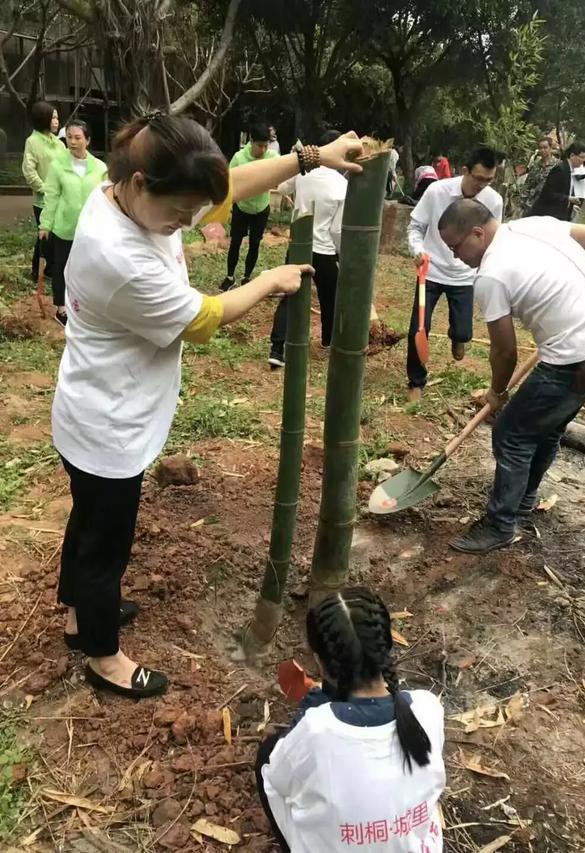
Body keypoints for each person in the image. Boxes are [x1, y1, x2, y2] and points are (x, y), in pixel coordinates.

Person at [52, 112, 362, 699]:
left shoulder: (118, 192)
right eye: (178, 213)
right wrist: (269, 281)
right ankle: (102, 656)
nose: (186, 223)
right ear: (142, 184)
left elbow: (226, 193)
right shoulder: (118, 256)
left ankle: (79, 614)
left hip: (96, 407)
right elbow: (201, 320)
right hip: (107, 427)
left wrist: (311, 157)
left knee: (90, 524)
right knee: (105, 542)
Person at [438, 200, 585, 555]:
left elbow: (504, 351)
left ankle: (499, 524)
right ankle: (523, 501)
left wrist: (496, 394)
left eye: (456, 247)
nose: (456, 257)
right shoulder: (531, 225)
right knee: (547, 427)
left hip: (576, 359)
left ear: (477, 233)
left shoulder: (491, 274)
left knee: (511, 434)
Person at [256, 587, 446, 853]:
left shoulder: (316, 730)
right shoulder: (427, 707)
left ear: (320, 662)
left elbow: (278, 779)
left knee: (268, 755)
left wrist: (313, 703)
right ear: (386, 646)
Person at [406, 147, 503, 401]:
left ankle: (458, 337)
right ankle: (416, 382)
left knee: (463, 332)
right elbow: (416, 226)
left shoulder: (493, 201)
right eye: (478, 178)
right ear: (465, 171)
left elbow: (494, 240)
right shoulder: (437, 191)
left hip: (464, 274)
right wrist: (418, 250)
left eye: (489, 180)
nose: (482, 185)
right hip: (431, 269)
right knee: (420, 327)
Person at [269, 130, 347, 368]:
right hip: (324, 249)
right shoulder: (342, 184)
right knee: (329, 296)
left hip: (299, 247)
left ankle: (277, 348)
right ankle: (328, 341)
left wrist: (294, 159)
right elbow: (337, 230)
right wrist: (340, 254)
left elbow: (281, 188)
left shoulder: (303, 172)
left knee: (289, 296)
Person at [39, 120, 107, 326]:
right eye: (69, 137)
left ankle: (85, 306)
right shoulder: (58, 164)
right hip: (64, 228)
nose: (73, 142)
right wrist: (45, 224)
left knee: (88, 268)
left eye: (78, 137)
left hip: (90, 230)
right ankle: (61, 309)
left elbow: (106, 199)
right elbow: (51, 196)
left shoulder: (100, 168)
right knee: (62, 268)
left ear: (88, 140)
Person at [221, 124, 279, 291]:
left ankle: (247, 277)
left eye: (266, 145)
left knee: (255, 243)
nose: (263, 149)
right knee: (235, 243)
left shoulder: (273, 157)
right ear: (251, 141)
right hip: (242, 208)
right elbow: (229, 181)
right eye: (259, 145)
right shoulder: (239, 158)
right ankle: (230, 276)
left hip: (262, 208)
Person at [21, 101, 64, 281]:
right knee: (44, 237)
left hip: (61, 198)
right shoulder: (32, 142)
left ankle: (51, 269)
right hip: (43, 200)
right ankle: (36, 271)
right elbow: (28, 170)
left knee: (57, 235)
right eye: (53, 117)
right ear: (44, 118)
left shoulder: (59, 143)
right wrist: (44, 188)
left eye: (57, 118)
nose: (56, 122)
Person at [528, 141, 585, 220]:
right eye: (581, 157)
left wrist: (570, 205)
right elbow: (547, 193)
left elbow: (563, 191)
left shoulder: (570, 170)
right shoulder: (560, 169)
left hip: (558, 214)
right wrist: (568, 198)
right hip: (547, 215)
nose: (583, 160)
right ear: (572, 155)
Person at [521, 136, 557, 215]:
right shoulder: (535, 164)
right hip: (531, 203)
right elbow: (528, 183)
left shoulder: (557, 166)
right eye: (540, 148)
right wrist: (523, 199)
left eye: (545, 147)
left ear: (550, 148)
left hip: (547, 205)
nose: (542, 150)